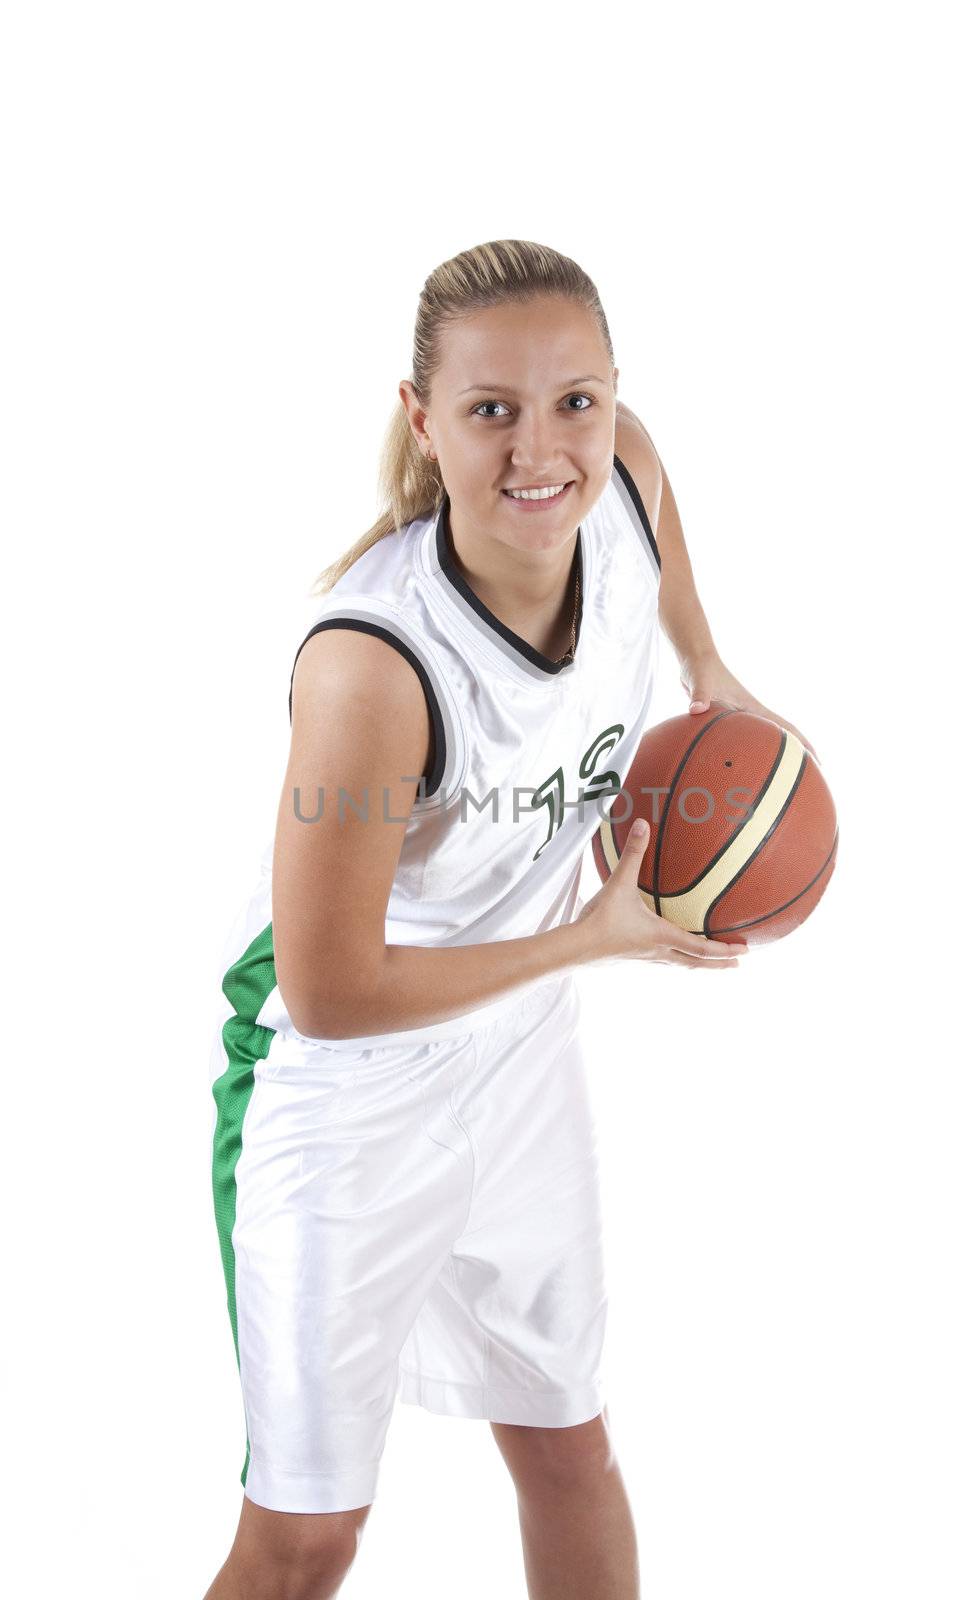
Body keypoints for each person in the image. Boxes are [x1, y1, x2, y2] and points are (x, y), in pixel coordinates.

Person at [204, 238, 810, 1600]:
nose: (544, 449)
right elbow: (332, 988)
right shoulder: (375, 666)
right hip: (336, 1097)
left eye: (574, 402)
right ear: (422, 418)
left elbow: (641, 473)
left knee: (564, 1441)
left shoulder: (623, 477)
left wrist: (709, 665)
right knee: (306, 1535)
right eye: (492, 410)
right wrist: (597, 940)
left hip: (519, 1060)